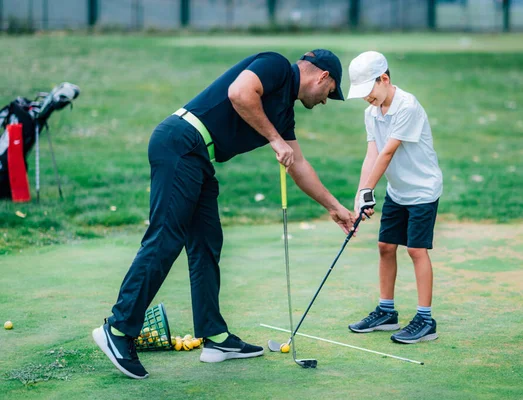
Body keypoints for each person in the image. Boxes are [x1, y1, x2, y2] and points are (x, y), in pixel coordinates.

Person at [92, 49, 355, 379]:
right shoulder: (276, 66)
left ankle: (215, 338)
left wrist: (335, 208)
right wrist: (274, 139)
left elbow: (298, 166)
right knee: (166, 238)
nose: (325, 101)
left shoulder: (284, 112)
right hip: (180, 142)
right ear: (323, 77)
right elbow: (240, 93)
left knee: (206, 243)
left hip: (198, 157)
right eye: (330, 93)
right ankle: (117, 330)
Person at [347, 51, 443, 344]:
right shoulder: (371, 113)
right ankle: (387, 312)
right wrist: (361, 192)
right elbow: (372, 153)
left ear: (384, 79)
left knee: (416, 250)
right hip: (397, 191)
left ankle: (426, 319)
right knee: (386, 246)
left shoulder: (407, 106)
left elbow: (388, 152)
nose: (366, 98)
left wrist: (368, 189)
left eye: (368, 91)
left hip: (422, 190)